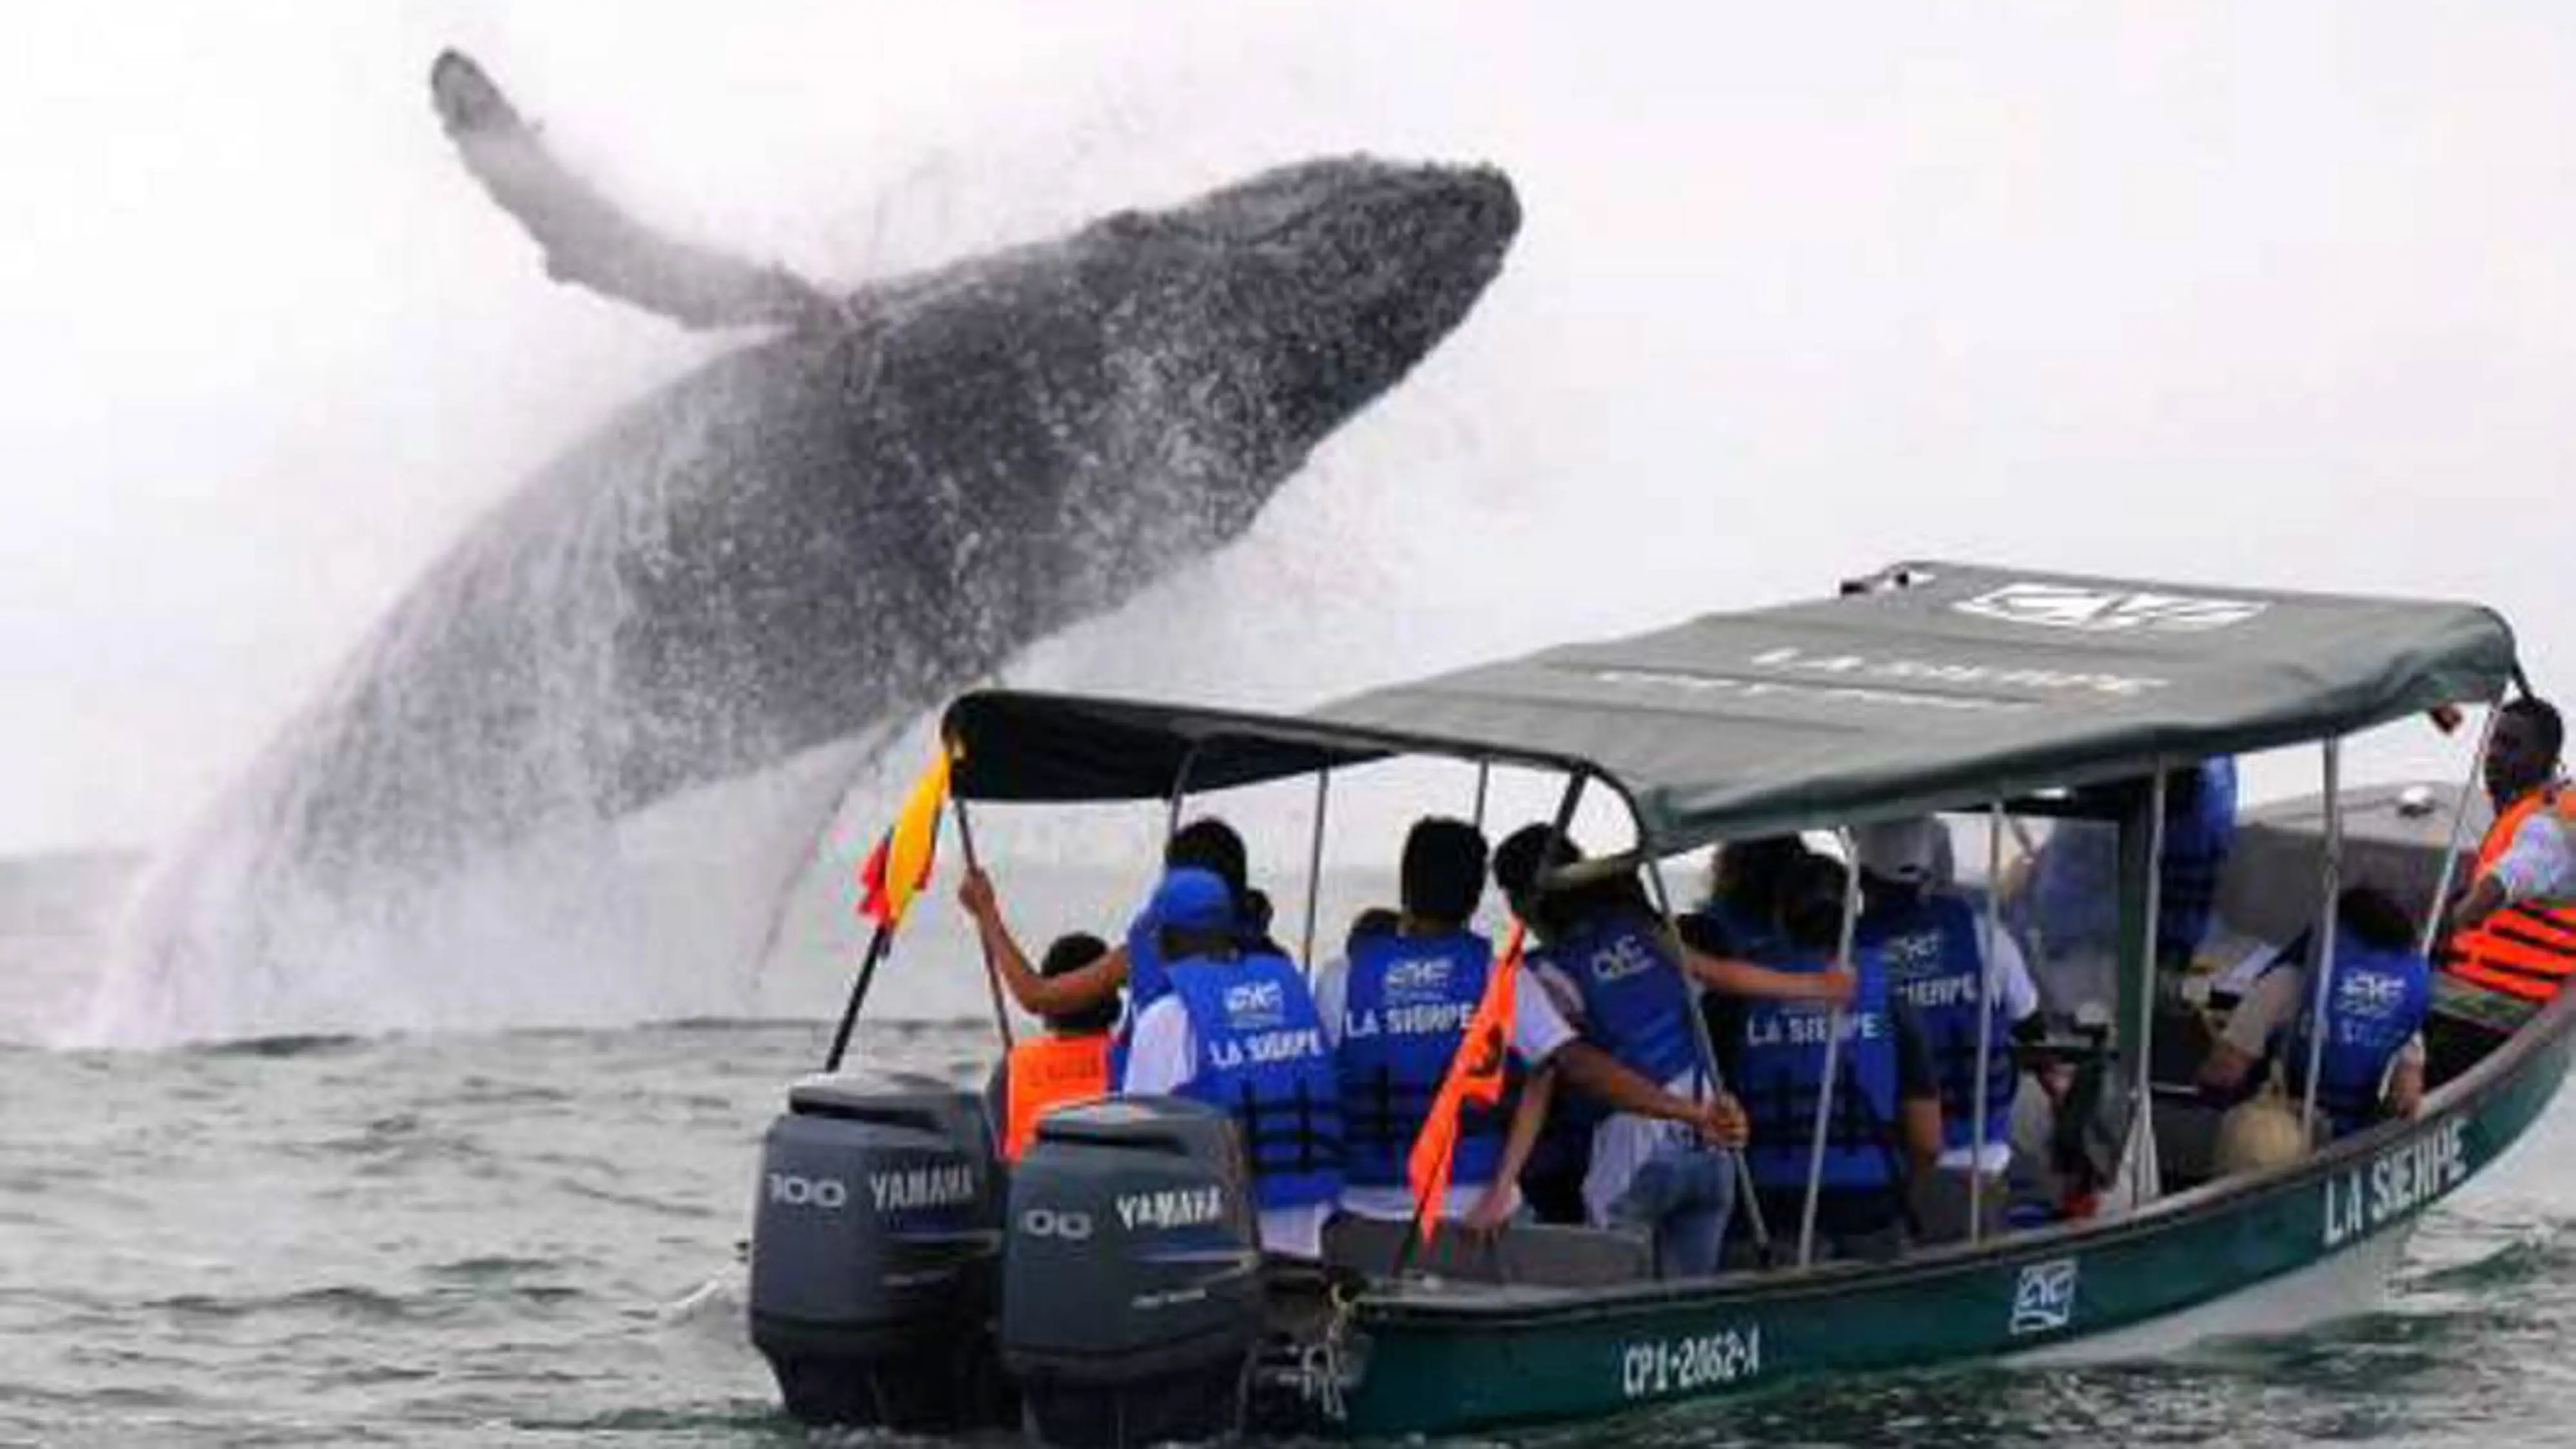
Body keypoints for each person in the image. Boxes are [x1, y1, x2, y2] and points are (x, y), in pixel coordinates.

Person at [1315, 819, 1741, 1235]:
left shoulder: (1340, 979)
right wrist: (1694, 1113)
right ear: (1475, 896)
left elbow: (1314, 1096)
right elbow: (1581, 1067)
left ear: (1405, 888)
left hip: (1366, 1209)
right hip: (1476, 1211)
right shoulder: (1501, 980)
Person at [1491, 825, 1848, 1277]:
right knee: (1692, 1302)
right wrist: (1816, 985)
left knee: (1614, 1295)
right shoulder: (1642, 931)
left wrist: (1503, 1183)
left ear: (1517, 901)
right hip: (1714, 1139)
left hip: (1637, 1146)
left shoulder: (1543, 971)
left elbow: (1566, 1066)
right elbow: (1721, 975)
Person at [1719, 853, 1944, 1262]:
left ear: (1779, 917)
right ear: (1853, 918)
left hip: (1767, 1207)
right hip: (1869, 1206)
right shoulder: (1889, 995)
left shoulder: (1737, 997)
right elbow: (1927, 1141)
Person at [1119, 866, 1345, 1258]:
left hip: (1220, 1241)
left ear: (1165, 940)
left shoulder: (1167, 1018)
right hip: (1307, 1239)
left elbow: (1136, 1145)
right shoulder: (1294, 995)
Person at [1852, 817, 2042, 1242]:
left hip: (1884, 1169)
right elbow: (2031, 1023)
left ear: (1863, 878)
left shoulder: (1850, 951)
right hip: (1981, 1160)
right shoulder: (1984, 936)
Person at [2199, 884, 2430, 1139]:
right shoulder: (2403, 999)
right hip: (2350, 1138)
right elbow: (2407, 1095)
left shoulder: (2289, 982)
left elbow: (2226, 1070)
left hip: (2280, 1137)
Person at [2445, 697, 2576, 1002]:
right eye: (2493, 743)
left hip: (2501, 1006)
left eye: (2510, 746)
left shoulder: (2554, 818)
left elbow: (2512, 877)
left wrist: (2444, 929)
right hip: (2473, 992)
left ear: (2545, 759)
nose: (2492, 756)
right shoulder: (2517, 813)